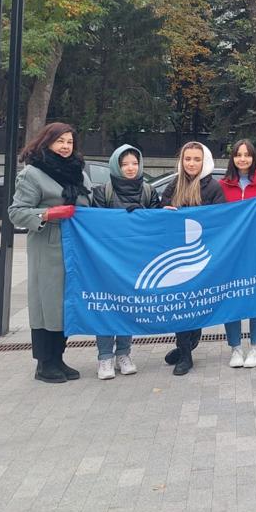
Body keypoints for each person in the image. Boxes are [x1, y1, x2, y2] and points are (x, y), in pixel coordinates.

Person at [8, 122, 93, 384]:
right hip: (48, 244)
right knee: (47, 304)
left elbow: (91, 204)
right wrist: (48, 213)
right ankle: (45, 363)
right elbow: (16, 212)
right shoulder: (33, 173)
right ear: (47, 142)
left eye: (70, 142)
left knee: (66, 304)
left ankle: (58, 357)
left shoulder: (78, 173)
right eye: (60, 141)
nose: (66, 147)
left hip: (74, 245)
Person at [91, 144, 160, 379]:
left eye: (134, 163)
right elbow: (96, 225)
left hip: (135, 260)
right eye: (124, 164)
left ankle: (123, 353)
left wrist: (144, 214)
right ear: (115, 166)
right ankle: (104, 357)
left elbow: (156, 224)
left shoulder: (148, 191)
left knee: (128, 306)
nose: (130, 168)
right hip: (107, 261)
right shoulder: (104, 192)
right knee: (106, 306)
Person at [160, 141, 226, 376]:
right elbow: (159, 211)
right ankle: (185, 355)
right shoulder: (174, 184)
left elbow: (222, 220)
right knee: (181, 306)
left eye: (196, 159)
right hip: (177, 258)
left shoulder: (213, 187)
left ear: (204, 161)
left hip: (202, 257)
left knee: (197, 307)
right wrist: (163, 211)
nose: (191, 163)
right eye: (187, 159)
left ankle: (188, 343)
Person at [219, 139, 256, 369]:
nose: (243, 159)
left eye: (247, 155)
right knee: (231, 297)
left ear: (253, 158)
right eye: (238, 155)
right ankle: (235, 347)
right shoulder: (222, 185)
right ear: (232, 158)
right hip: (230, 252)